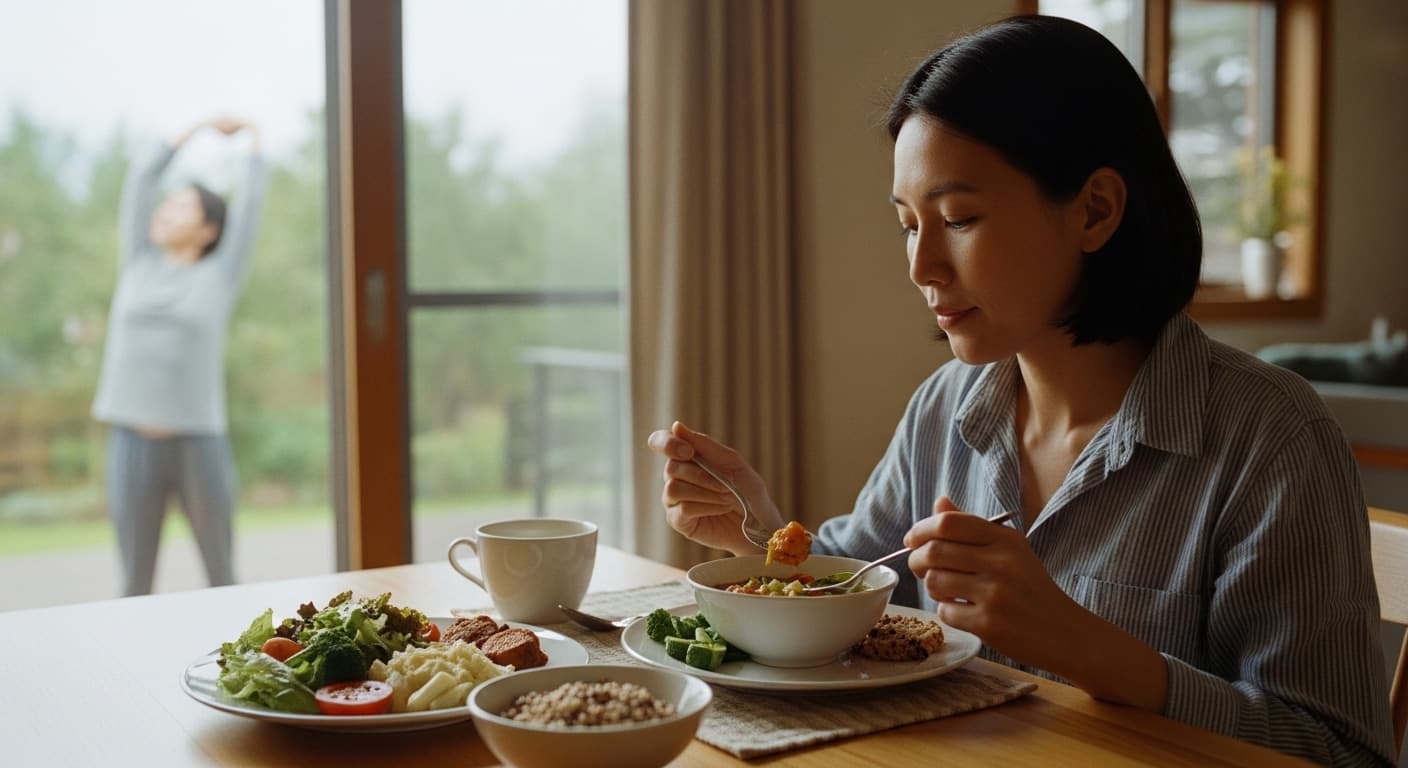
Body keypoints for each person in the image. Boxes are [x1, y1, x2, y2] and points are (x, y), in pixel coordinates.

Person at [647, 15, 1395, 766]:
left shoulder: (1271, 439)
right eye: (908, 225)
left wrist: (1086, 646)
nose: (922, 267)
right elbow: (858, 584)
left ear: (1096, 210)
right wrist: (758, 532)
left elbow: (1339, 751)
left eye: (958, 218)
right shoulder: (945, 407)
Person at [92, 116, 268, 597]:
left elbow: (250, 204)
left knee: (222, 574)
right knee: (134, 582)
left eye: (182, 205)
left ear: (209, 229)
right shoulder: (137, 262)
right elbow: (140, 180)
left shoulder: (220, 274)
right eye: (167, 203)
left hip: (199, 442)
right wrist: (197, 128)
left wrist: (252, 135)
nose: (166, 210)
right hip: (131, 441)